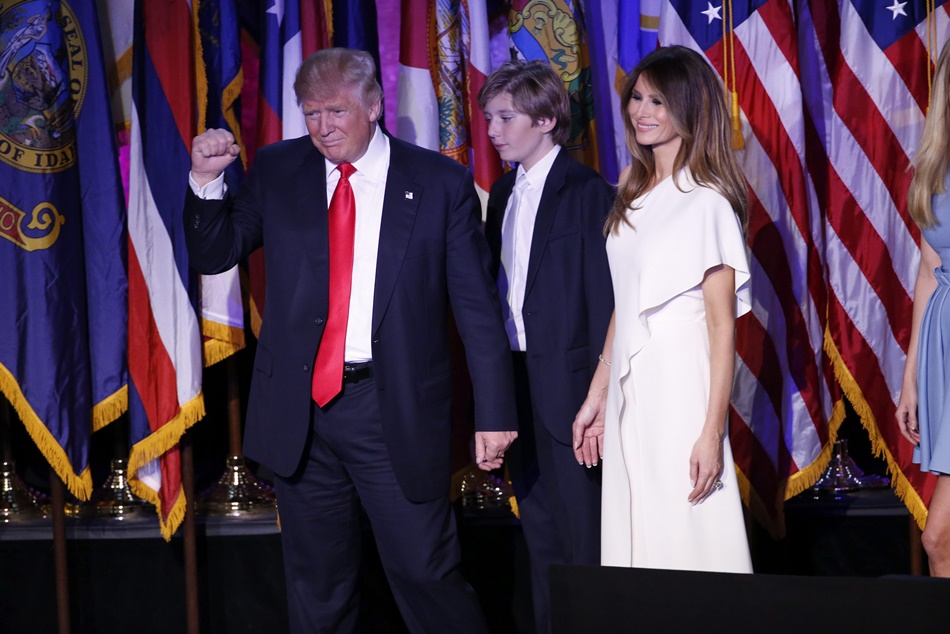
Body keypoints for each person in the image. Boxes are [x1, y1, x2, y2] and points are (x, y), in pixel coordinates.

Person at [184, 48, 518, 633]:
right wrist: (206, 182)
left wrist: (494, 413)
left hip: (392, 410)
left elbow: (477, 310)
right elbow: (217, 252)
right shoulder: (278, 168)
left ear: (374, 105)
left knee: (426, 576)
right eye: (310, 113)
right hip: (301, 413)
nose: (322, 127)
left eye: (335, 111)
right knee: (317, 588)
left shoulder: (438, 182)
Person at [572, 45, 753, 573]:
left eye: (657, 100)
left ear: (689, 108)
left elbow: (723, 328)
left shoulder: (707, 201)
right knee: (639, 538)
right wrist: (598, 395)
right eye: (637, 99)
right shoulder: (632, 196)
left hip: (682, 390)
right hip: (634, 392)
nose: (641, 111)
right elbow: (626, 306)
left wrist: (710, 432)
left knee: (688, 534)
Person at [479, 60, 614, 633]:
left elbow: (606, 301)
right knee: (539, 534)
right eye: (488, 118)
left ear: (547, 118)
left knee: (585, 537)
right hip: (516, 380)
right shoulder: (505, 190)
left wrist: (600, 399)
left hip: (574, 390)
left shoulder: (587, 191)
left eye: (506, 118)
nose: (492, 131)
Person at [896, 38, 950, 578]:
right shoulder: (936, 164)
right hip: (941, 352)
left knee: (939, 539)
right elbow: (928, 270)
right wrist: (911, 376)